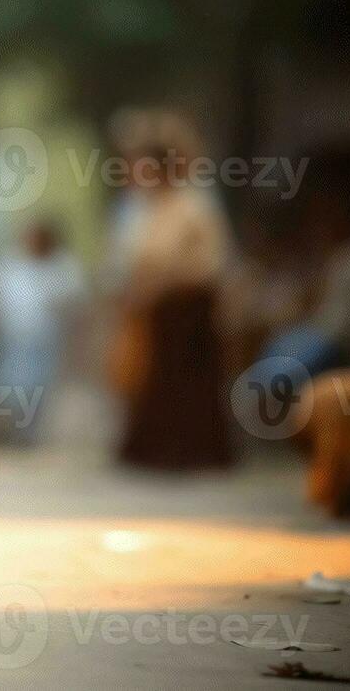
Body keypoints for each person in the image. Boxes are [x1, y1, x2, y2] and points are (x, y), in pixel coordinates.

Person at [112, 129, 234, 470]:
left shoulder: (192, 204)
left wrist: (164, 284)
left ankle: (191, 454)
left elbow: (207, 263)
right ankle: (159, 452)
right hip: (156, 310)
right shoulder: (148, 210)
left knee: (186, 386)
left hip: (186, 309)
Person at [0, 221, 86, 446]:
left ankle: (31, 436)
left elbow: (75, 304)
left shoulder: (65, 267)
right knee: (11, 387)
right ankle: (10, 431)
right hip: (13, 341)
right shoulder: (10, 264)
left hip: (47, 343)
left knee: (39, 389)